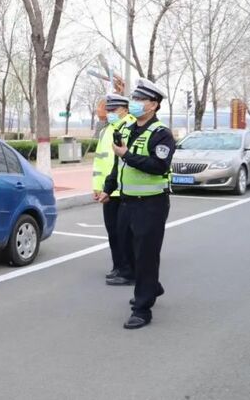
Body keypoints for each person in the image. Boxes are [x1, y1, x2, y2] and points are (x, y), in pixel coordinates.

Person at [99, 79, 175, 330]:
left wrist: (127, 156)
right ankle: (151, 286)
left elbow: (158, 166)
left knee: (145, 256)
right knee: (127, 249)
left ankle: (142, 309)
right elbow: (117, 164)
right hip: (127, 202)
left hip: (151, 204)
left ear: (153, 105)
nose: (135, 103)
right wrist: (108, 189)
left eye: (140, 100)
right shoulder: (130, 129)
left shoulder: (161, 134)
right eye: (135, 99)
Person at [92, 94, 135, 280]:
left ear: (125, 110)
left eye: (113, 110)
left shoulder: (133, 127)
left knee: (127, 234)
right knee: (113, 232)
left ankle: (129, 268)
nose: (109, 113)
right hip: (108, 190)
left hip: (126, 190)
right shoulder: (106, 131)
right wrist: (97, 187)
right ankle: (118, 266)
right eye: (108, 110)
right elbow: (99, 162)